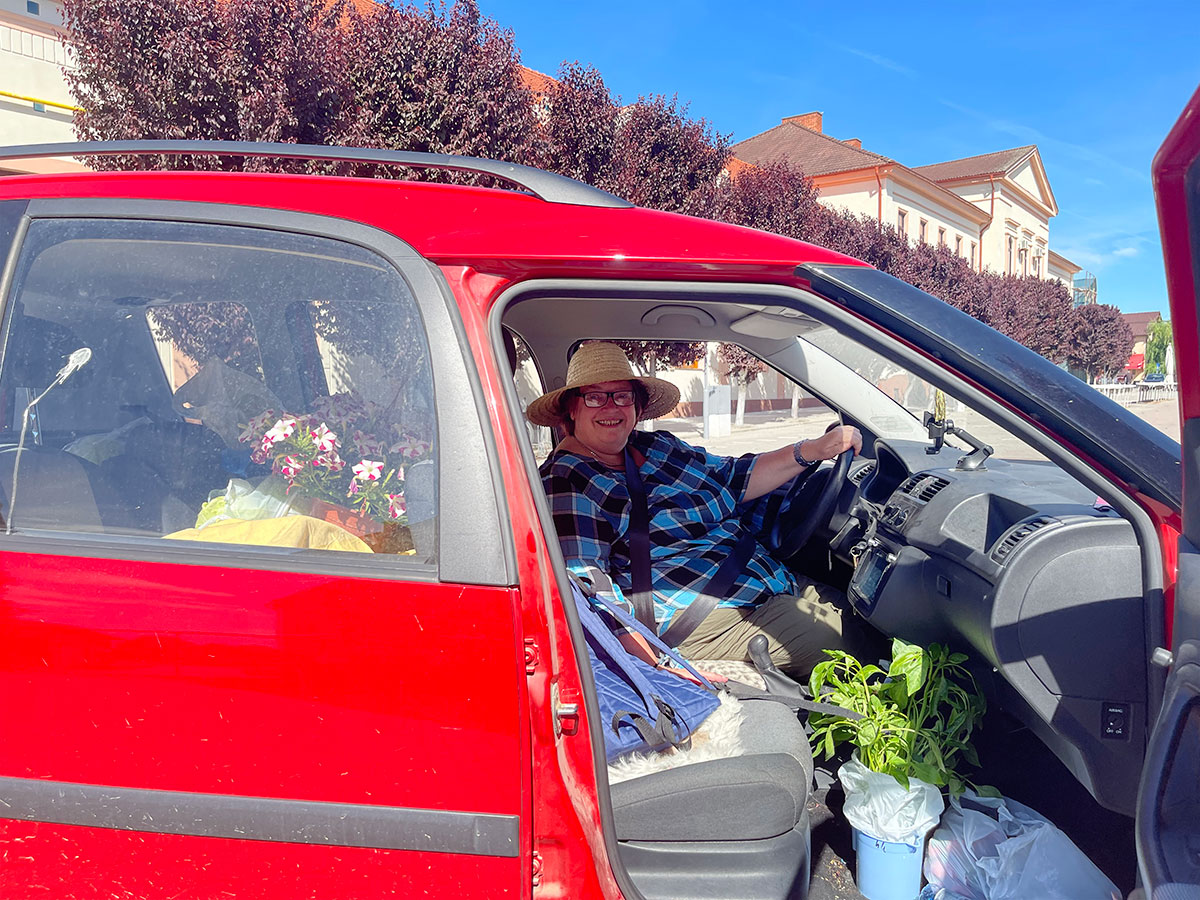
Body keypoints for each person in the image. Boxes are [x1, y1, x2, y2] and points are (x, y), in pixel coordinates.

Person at [529, 341, 870, 679]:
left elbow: (734, 477)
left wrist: (813, 449)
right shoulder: (565, 481)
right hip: (708, 613)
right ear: (571, 410)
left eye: (622, 395)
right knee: (853, 647)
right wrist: (657, 669)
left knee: (865, 609)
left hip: (768, 578)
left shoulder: (657, 446)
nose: (611, 407)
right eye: (594, 396)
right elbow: (589, 590)